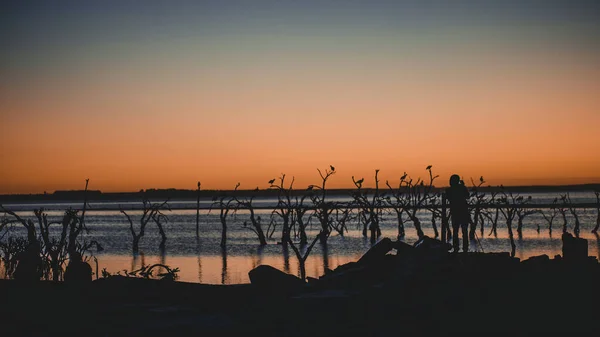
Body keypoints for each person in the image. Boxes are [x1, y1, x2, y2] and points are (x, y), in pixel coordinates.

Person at [445, 174, 470, 253]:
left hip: (455, 212)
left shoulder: (449, 190)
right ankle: (465, 249)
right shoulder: (462, 188)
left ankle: (456, 249)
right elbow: (467, 196)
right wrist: (463, 186)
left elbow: (448, 197)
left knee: (456, 231)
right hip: (463, 211)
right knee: (464, 231)